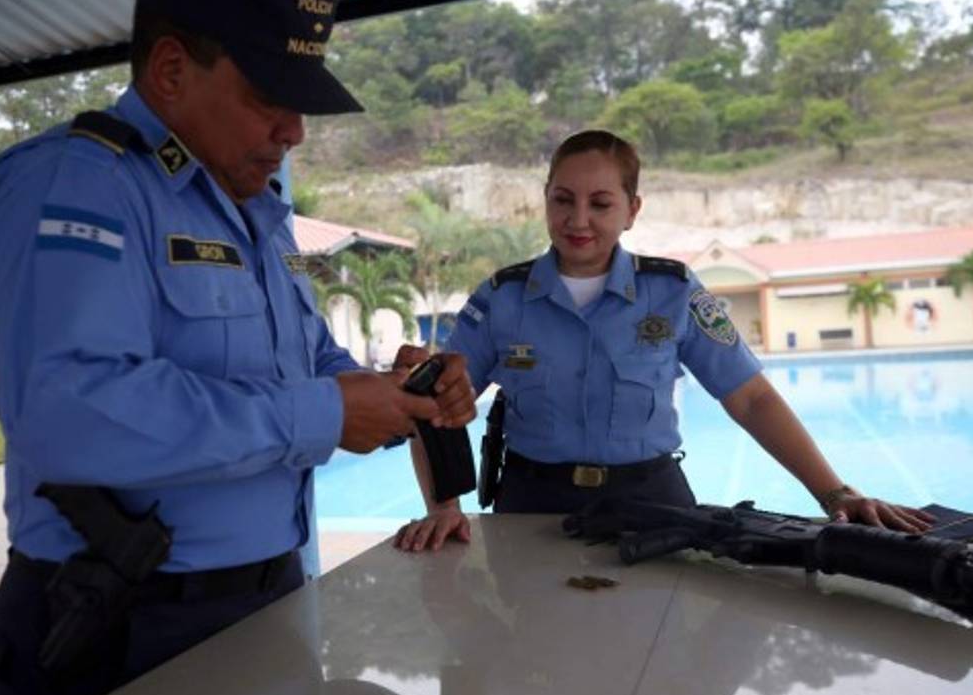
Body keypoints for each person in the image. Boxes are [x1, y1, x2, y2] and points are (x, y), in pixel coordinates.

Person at [0, 0, 474, 695]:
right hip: (123, 627)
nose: (292, 132)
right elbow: (69, 412)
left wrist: (392, 389)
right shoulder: (77, 184)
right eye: (270, 99)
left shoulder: (252, 204)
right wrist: (322, 412)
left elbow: (307, 358)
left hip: (261, 605)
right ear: (169, 71)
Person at [395, 129, 932, 552]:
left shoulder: (673, 292)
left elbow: (750, 397)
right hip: (531, 507)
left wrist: (834, 493)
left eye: (601, 203)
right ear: (545, 201)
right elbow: (434, 400)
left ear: (632, 209)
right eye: (563, 199)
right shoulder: (500, 300)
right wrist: (444, 504)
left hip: (654, 502)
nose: (578, 219)